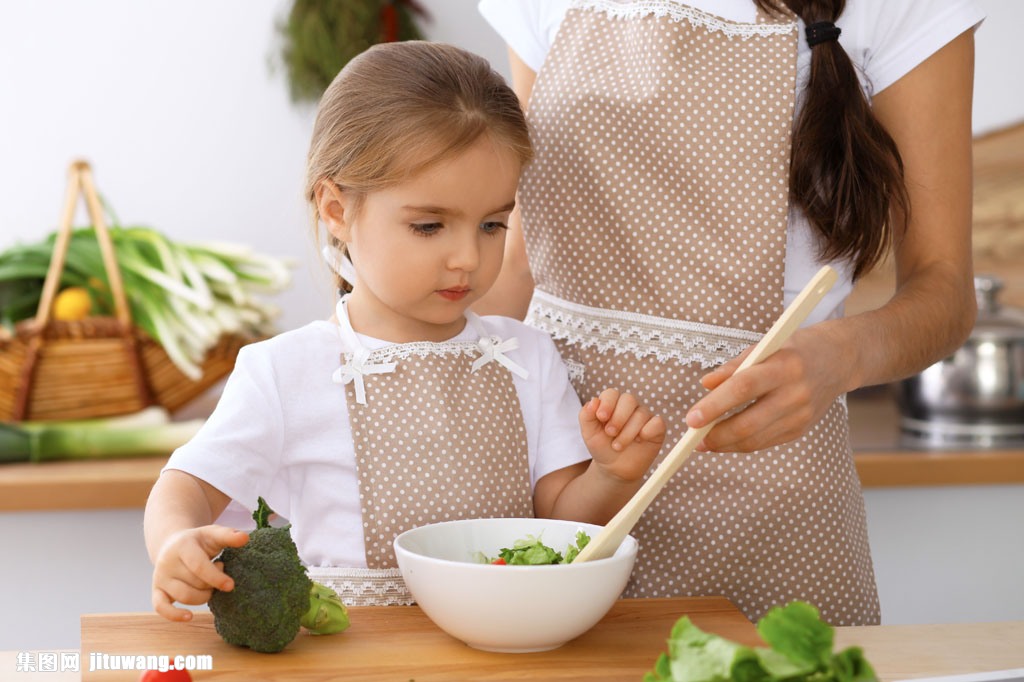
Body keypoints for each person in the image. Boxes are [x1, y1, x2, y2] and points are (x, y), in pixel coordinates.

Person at [476, 0, 983, 625]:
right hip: (565, 482)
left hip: (772, 494)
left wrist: (839, 356)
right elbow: (517, 264)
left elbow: (946, 291)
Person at [143, 40, 666, 621]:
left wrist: (613, 475)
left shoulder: (529, 355)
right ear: (337, 210)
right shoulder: (285, 372)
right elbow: (187, 487)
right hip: (355, 656)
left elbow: (567, 527)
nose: (467, 256)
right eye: (429, 226)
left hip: (503, 652)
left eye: (493, 224)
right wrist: (174, 542)